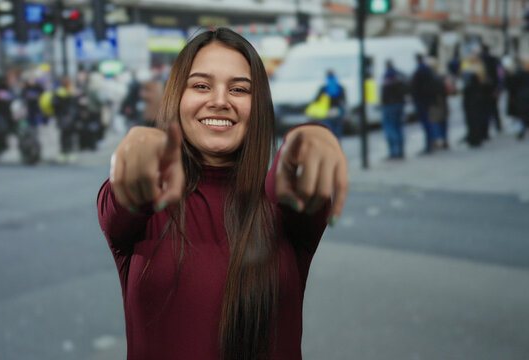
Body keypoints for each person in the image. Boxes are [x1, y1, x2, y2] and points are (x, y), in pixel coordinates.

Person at [97, 28, 348, 360]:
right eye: (201, 85)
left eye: (239, 89)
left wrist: (311, 135)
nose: (219, 100)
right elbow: (126, 195)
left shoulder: (278, 202)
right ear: (176, 97)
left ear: (257, 106)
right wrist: (139, 147)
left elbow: (294, 181)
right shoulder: (146, 197)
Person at [380, 60, 407, 159]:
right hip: (399, 104)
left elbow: (384, 93)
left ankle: (394, 152)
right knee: (399, 128)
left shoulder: (387, 77)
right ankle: (400, 151)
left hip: (389, 105)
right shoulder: (399, 76)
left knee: (390, 128)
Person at [411, 54, 437, 154]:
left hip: (422, 99)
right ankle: (431, 143)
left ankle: (429, 145)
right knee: (428, 122)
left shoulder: (420, 70)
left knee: (426, 123)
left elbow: (416, 86)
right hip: (426, 99)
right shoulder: (427, 70)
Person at [461, 56, 489, 147]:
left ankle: (474, 138)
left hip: (471, 100)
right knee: (479, 118)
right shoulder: (481, 70)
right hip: (480, 99)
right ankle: (479, 136)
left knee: (472, 120)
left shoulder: (469, 71)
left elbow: (462, 72)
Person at [314, 70, 346, 140]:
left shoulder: (323, 88)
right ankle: (337, 147)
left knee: (328, 131)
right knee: (337, 133)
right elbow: (344, 101)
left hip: (326, 112)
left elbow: (316, 100)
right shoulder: (340, 88)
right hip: (337, 112)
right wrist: (344, 113)